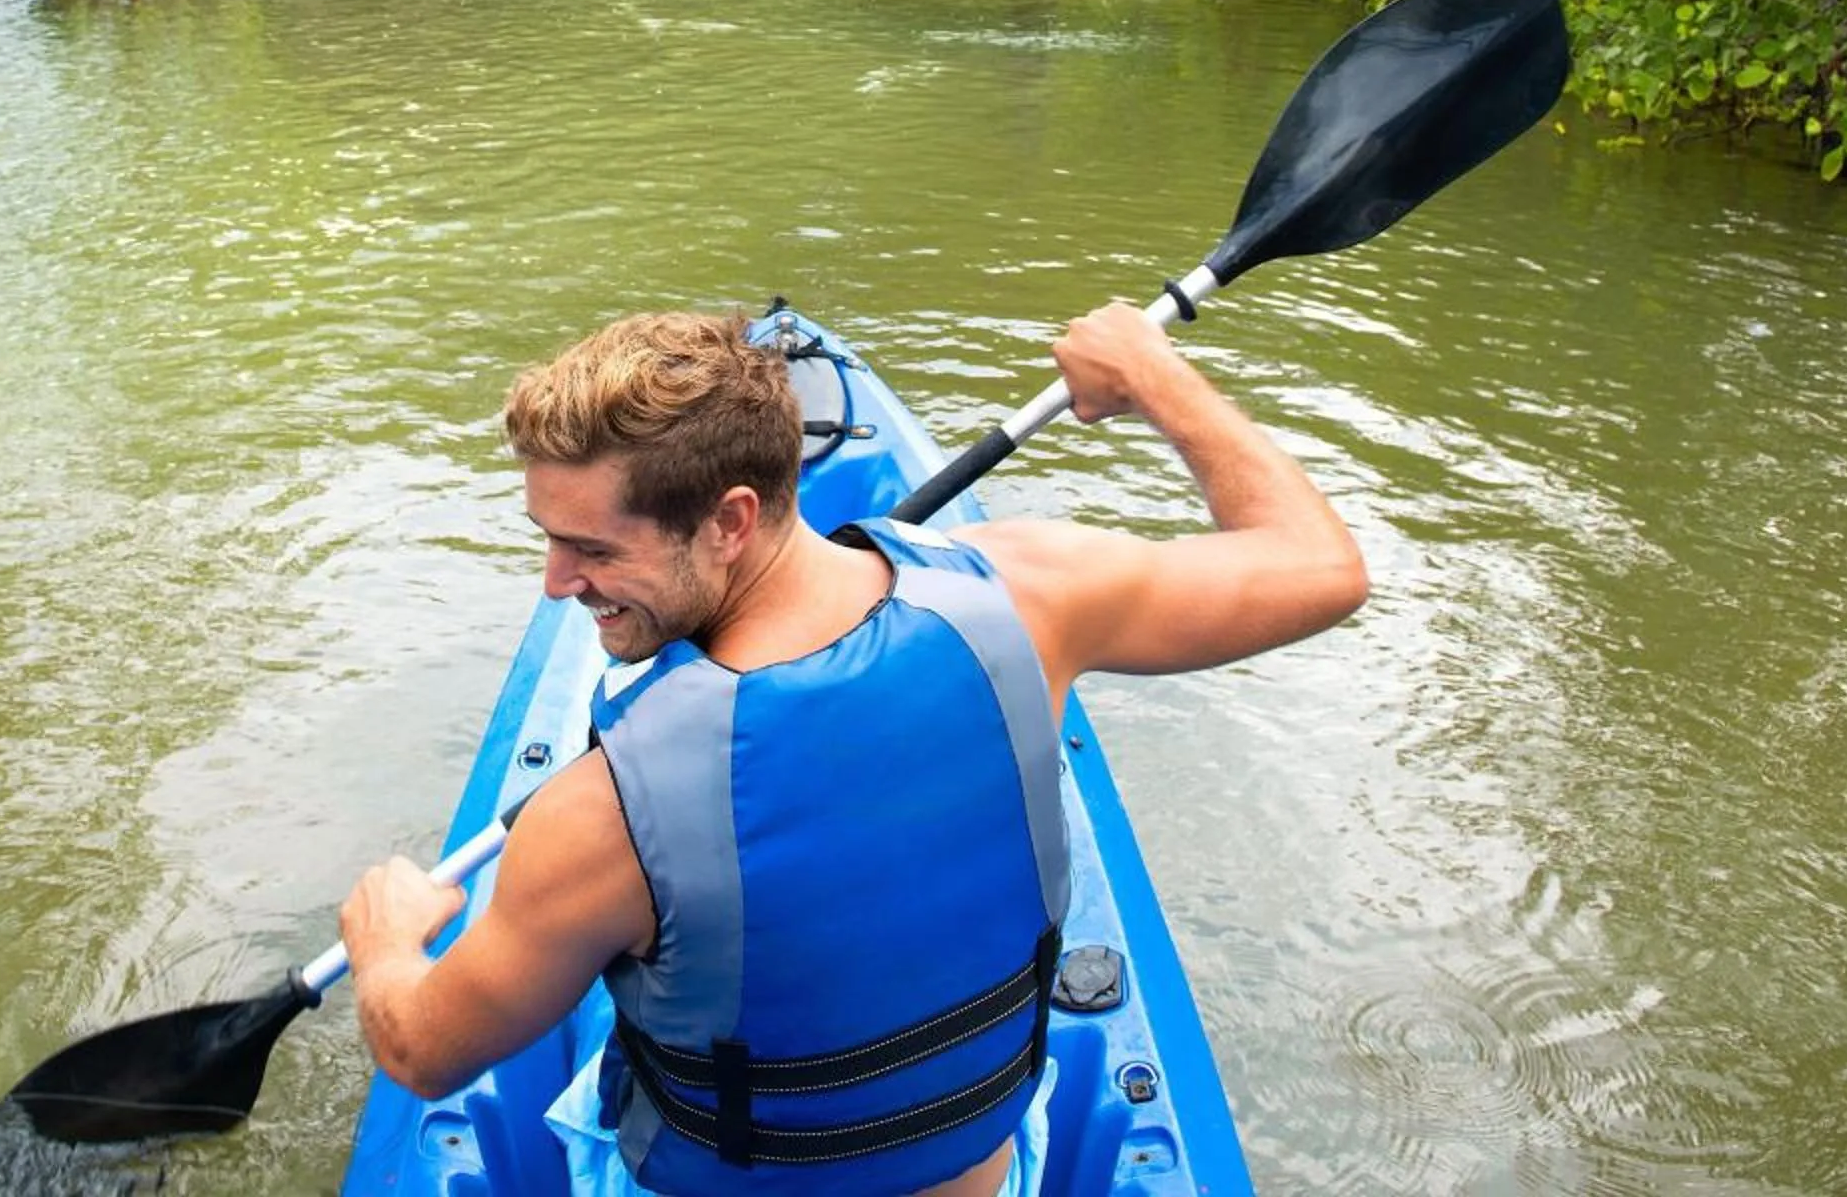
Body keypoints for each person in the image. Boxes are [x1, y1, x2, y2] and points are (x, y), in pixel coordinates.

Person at [339, 303, 1366, 1197]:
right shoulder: (1036, 590)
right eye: (549, 537)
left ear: (732, 519)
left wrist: (389, 941)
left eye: (596, 549)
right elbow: (1320, 564)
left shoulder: (600, 817)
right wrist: (1154, 373)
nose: (557, 582)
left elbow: (425, 1048)